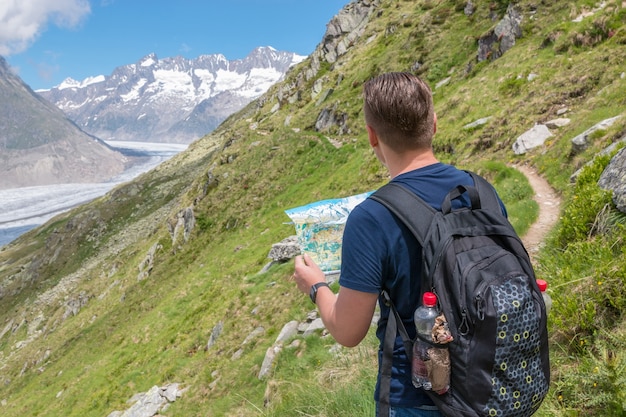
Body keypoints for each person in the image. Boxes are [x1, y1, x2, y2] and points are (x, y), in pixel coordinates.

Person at [292, 72, 506, 417]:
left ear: (372, 136)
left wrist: (316, 286)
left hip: (418, 398)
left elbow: (348, 331)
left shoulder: (371, 217)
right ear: (434, 125)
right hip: (492, 385)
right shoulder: (482, 191)